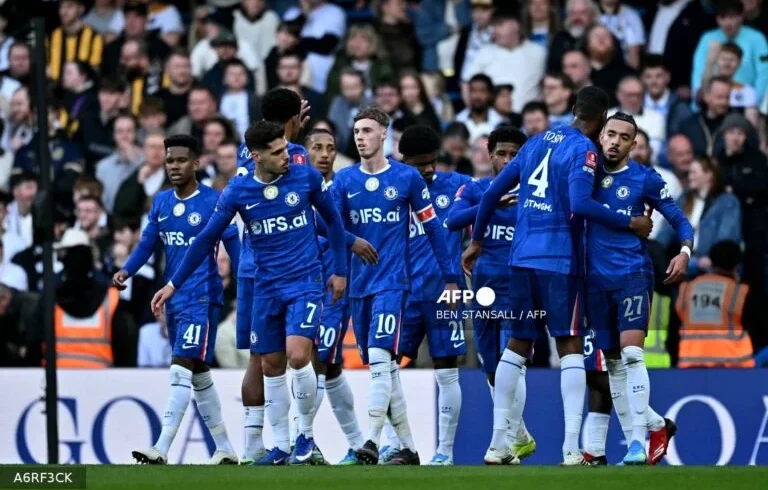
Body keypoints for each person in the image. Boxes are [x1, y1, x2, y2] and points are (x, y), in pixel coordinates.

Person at [463, 86, 653, 466]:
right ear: (599, 121)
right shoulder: (582, 150)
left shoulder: (533, 143)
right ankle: (569, 449)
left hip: (520, 259)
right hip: (559, 262)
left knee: (516, 346)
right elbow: (582, 204)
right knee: (568, 346)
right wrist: (630, 221)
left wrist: (477, 241)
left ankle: (498, 444)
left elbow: (488, 196)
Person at [152, 121, 348, 466]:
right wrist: (172, 284)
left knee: (298, 355)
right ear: (256, 157)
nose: (287, 156)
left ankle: (305, 434)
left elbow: (332, 221)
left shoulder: (306, 179)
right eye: (277, 152)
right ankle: (281, 445)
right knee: (271, 365)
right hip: (265, 288)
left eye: (286, 148)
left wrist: (340, 271)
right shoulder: (238, 190)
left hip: (305, 282)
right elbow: (205, 240)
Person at [333, 106, 459, 465]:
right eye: (357, 130)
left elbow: (434, 229)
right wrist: (351, 241)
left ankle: (369, 442)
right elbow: (328, 228)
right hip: (360, 286)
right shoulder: (345, 181)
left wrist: (451, 278)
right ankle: (408, 446)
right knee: (386, 368)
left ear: (384, 134)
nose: (360, 137)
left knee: (378, 358)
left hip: (394, 283)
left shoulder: (407, 179)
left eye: (368, 130)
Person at [115, 134, 242, 465]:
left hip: (203, 297)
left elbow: (234, 247)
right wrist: (126, 270)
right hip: (174, 300)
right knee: (198, 373)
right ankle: (225, 448)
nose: (174, 166)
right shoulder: (160, 202)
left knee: (181, 367)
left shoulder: (215, 200)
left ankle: (161, 448)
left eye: (181, 160)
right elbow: (147, 244)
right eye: (169, 160)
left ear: (196, 164)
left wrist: (246, 287)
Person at [583, 112, 693, 466]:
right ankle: (656, 425)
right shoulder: (585, 175)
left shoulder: (645, 178)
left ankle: (635, 443)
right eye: (610, 134)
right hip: (593, 280)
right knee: (611, 364)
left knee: (631, 356)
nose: (615, 141)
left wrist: (685, 251)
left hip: (632, 273)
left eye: (623, 137)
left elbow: (678, 218)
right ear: (601, 136)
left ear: (634, 144)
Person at [446, 125, 536, 464]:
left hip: (522, 286)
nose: (508, 160)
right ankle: (521, 434)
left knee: (512, 360)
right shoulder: (476, 189)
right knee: (490, 365)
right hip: (482, 288)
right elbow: (452, 221)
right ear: (490, 154)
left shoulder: (535, 195)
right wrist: (493, 200)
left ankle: (504, 442)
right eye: (502, 154)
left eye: (515, 155)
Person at [233, 87, 310, 465]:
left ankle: (254, 446)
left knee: (259, 358)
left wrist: (287, 124)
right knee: (290, 359)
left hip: (251, 266)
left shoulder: (245, 151)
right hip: (286, 269)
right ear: (295, 119)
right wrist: (292, 135)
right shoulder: (297, 157)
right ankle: (298, 438)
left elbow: (263, 154)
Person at [393, 125, 472, 466]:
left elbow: (486, 202)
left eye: (432, 162)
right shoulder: (389, 189)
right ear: (403, 160)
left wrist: (478, 243)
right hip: (402, 293)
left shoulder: (455, 185)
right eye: (420, 163)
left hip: (445, 292)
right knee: (387, 367)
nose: (428, 169)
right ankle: (395, 444)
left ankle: (445, 452)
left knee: (447, 368)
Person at [304, 128, 370, 465]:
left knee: (318, 361)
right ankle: (360, 445)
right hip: (303, 284)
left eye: (331, 148)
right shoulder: (299, 187)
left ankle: (298, 441)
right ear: (305, 152)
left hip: (334, 288)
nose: (325, 154)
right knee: (330, 367)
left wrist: (351, 242)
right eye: (317, 147)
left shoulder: (344, 186)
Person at [676, 240, 755, 368]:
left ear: (711, 262)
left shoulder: (687, 289)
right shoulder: (739, 292)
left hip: (690, 367)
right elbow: (753, 326)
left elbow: (677, 325)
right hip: (733, 369)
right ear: (736, 265)